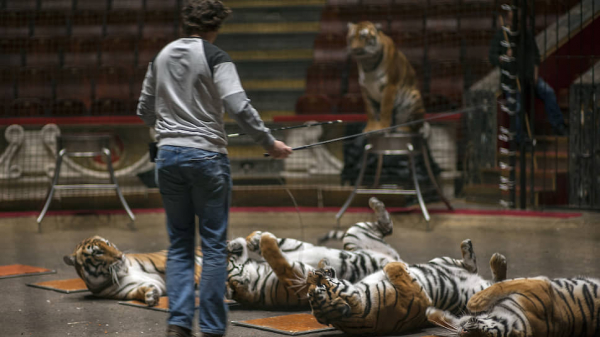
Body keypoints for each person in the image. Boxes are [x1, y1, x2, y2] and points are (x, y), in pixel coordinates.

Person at [136, 1, 293, 336]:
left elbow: (145, 112)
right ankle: (211, 328)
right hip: (207, 159)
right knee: (212, 246)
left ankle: (178, 325)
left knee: (179, 245)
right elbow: (238, 105)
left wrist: (173, 118)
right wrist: (270, 144)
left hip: (167, 158)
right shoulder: (216, 56)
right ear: (215, 26)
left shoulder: (160, 57)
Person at [489, 7, 568, 137]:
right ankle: (521, 138)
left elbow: (535, 56)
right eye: (513, 21)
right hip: (511, 80)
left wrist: (535, 73)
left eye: (518, 21)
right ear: (508, 21)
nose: (516, 24)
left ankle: (558, 125)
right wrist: (504, 57)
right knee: (517, 106)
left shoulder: (526, 35)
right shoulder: (501, 36)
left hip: (529, 77)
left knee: (548, 92)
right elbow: (492, 57)